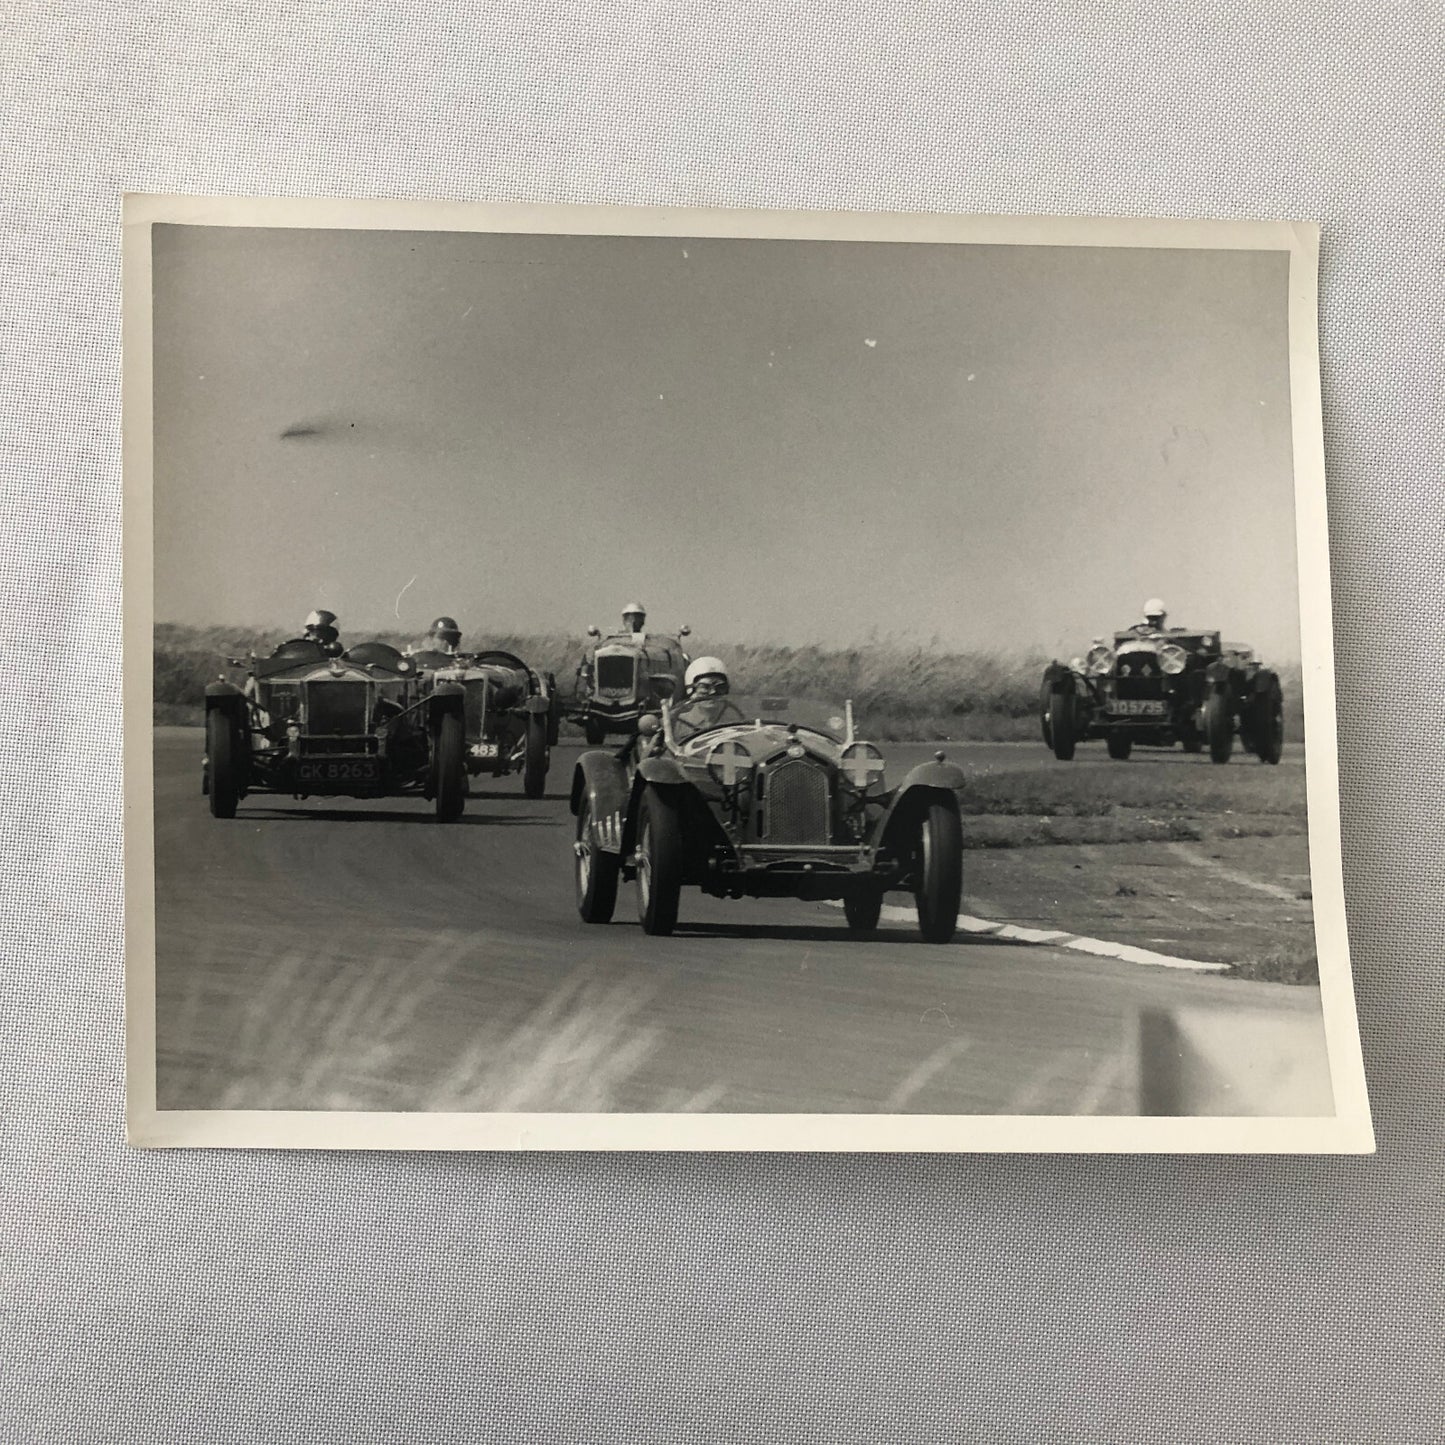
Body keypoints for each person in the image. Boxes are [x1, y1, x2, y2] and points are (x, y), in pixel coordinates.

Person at [670, 656, 746, 739]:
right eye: (704, 687)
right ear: (691, 689)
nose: (713, 692)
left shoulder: (735, 722)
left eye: (720, 687)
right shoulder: (677, 723)